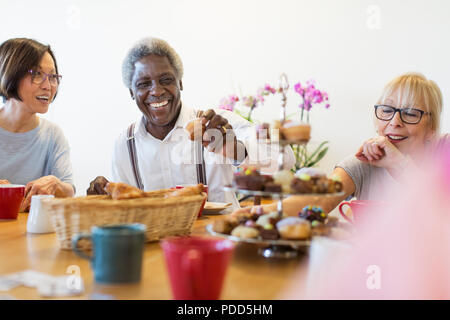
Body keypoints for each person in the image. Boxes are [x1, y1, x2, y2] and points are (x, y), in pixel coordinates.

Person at [87, 37, 294, 208]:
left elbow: (285, 160)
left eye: (166, 80)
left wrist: (233, 148)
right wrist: (103, 197)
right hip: (156, 252)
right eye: (143, 84)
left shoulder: (217, 124)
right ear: (132, 92)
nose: (157, 91)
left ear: (180, 82)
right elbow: (125, 212)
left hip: (219, 246)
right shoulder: (124, 145)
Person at [246, 72, 448, 216]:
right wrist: (252, 213)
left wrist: (399, 164)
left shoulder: (443, 157)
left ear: (431, 128)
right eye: (387, 110)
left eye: (410, 114)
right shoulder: (365, 162)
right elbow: (316, 201)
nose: (395, 121)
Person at [0, 38, 75, 211]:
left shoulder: (53, 135)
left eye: (53, 77)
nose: (48, 86)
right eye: (37, 75)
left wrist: (55, 184)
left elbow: (69, 191)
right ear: (9, 74)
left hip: (32, 233)